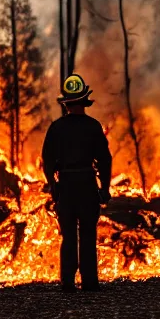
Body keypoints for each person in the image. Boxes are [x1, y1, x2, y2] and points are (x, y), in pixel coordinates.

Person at [42, 74, 112, 292]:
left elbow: (47, 160)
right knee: (88, 233)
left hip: (67, 185)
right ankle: (90, 282)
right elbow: (105, 159)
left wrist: (54, 188)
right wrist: (105, 188)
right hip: (87, 184)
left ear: (66, 103)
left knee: (69, 235)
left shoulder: (56, 128)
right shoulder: (93, 126)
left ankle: (67, 282)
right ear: (84, 101)